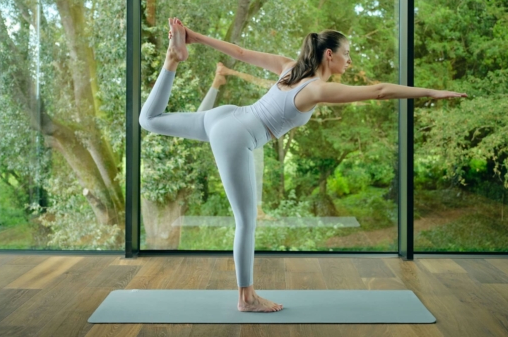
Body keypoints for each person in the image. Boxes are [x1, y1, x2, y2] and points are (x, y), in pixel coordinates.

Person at [140, 17, 467, 313]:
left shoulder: (288, 67)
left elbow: (238, 52)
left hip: (225, 116)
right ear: (329, 55)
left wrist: (195, 37)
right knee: (246, 221)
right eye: (347, 54)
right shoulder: (316, 89)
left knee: (149, 119)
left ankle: (173, 60)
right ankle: (246, 298)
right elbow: (379, 91)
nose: (350, 60)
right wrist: (431, 92)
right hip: (237, 135)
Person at [196, 61, 274, 220]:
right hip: (236, 130)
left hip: (232, 130)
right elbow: (266, 84)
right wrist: (230, 72)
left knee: (253, 162)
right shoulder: (242, 97)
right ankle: (254, 210)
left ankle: (255, 209)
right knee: (253, 161)